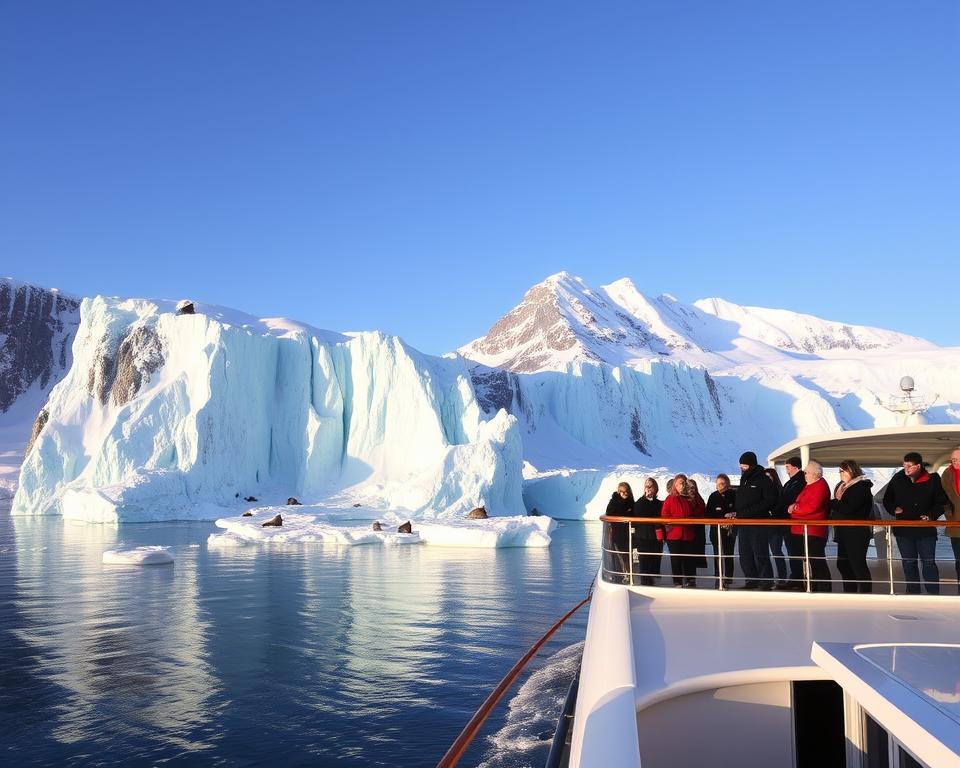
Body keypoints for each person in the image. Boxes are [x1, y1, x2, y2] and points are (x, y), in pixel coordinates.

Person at [883, 452, 951, 594]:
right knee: (908, 562)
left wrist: (931, 515)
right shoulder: (898, 478)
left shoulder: (932, 480)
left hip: (925, 529)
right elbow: (887, 500)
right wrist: (894, 509)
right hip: (904, 529)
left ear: (918, 466)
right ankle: (913, 592)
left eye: (909, 466)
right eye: (904, 465)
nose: (906, 469)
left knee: (928, 562)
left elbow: (941, 502)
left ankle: (933, 594)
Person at [733, 451, 777, 590]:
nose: (742, 469)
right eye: (741, 466)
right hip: (743, 523)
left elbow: (770, 500)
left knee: (760, 552)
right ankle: (751, 579)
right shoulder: (744, 481)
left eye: (744, 466)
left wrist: (751, 511)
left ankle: (766, 580)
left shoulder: (763, 480)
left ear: (751, 465)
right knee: (745, 553)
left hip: (758, 523)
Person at [787, 461, 832, 592]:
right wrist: (796, 508)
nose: (804, 475)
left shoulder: (820, 486)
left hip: (813, 531)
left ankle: (823, 589)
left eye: (806, 473)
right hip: (802, 529)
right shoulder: (810, 485)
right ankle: (811, 586)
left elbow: (810, 508)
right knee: (808, 560)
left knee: (816, 561)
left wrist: (794, 509)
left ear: (815, 474)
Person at [830, 459, 874, 593]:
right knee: (843, 564)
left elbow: (848, 508)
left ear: (852, 470)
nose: (841, 473)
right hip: (843, 531)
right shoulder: (841, 486)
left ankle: (865, 593)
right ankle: (850, 591)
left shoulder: (861, 487)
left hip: (857, 532)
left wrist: (833, 502)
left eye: (843, 471)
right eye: (839, 471)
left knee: (857, 563)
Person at [658, 474, 697, 587]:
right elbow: (664, 514)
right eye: (681, 483)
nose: (683, 485)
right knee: (676, 558)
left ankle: (690, 579)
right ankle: (677, 580)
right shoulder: (670, 498)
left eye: (684, 482)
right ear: (675, 485)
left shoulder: (689, 498)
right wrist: (670, 525)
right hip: (674, 535)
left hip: (688, 534)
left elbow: (696, 512)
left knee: (689, 558)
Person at [775, 457, 807, 588]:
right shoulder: (792, 482)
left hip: (793, 522)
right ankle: (796, 577)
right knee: (792, 550)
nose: (786, 470)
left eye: (787, 467)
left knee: (795, 551)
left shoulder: (799, 482)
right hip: (787, 521)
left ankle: (798, 579)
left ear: (795, 467)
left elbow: (788, 498)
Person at [706, 474, 737, 588]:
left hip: (729, 530)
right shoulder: (713, 496)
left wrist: (733, 514)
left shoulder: (733, 495)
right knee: (717, 552)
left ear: (727, 484)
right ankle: (718, 574)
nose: (720, 486)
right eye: (718, 484)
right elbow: (708, 513)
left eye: (722, 483)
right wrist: (721, 515)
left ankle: (729, 576)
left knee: (729, 553)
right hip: (716, 530)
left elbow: (738, 508)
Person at [634, 477, 664, 586]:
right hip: (643, 535)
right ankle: (644, 580)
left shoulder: (658, 503)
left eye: (650, 486)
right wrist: (645, 498)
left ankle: (653, 578)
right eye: (646, 486)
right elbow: (638, 511)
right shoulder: (640, 502)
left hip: (655, 535)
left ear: (655, 488)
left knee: (655, 557)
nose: (648, 488)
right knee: (644, 558)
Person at [604, 482, 635, 582]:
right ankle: (624, 575)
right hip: (618, 532)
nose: (624, 494)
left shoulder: (631, 502)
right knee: (621, 554)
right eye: (621, 492)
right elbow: (609, 512)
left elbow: (634, 514)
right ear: (618, 492)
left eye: (626, 492)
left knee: (627, 554)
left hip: (628, 532)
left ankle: (628, 574)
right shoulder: (614, 501)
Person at [765, 467, 789, 587]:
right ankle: (766, 577)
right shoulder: (763, 491)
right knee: (763, 552)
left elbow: (780, 508)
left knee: (776, 551)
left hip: (775, 526)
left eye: (769, 477)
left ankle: (782, 577)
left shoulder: (779, 492)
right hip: (764, 526)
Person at [685, 478, 708, 582]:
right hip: (685, 530)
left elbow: (703, 512)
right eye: (688, 487)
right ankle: (685, 576)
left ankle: (691, 577)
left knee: (693, 554)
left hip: (697, 531)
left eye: (693, 487)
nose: (691, 489)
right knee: (686, 554)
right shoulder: (682, 499)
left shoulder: (699, 499)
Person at [943, 448, 960, 589]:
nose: (955, 462)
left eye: (958, 459)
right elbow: (943, 497)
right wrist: (949, 513)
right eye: (953, 459)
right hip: (956, 524)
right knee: (959, 560)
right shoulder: (947, 474)